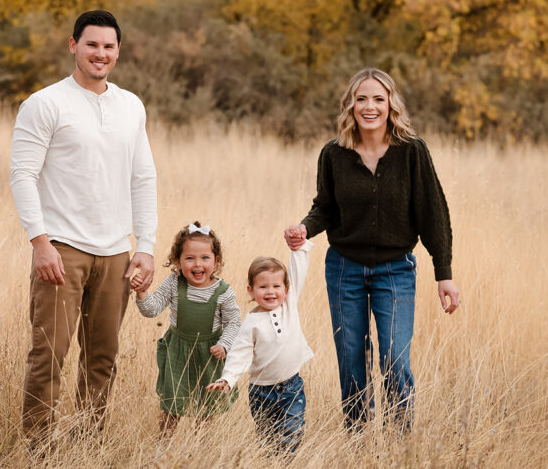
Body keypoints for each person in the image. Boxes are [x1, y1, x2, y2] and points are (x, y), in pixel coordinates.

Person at [9, 10, 158, 444]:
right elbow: (22, 175)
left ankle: (88, 445)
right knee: (49, 356)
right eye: (92, 44)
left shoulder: (131, 105)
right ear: (73, 44)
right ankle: (39, 449)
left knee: (102, 359)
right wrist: (40, 242)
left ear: (118, 51)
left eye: (109, 46)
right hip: (62, 249)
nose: (100, 53)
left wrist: (144, 246)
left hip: (116, 253)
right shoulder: (45, 103)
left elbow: (142, 177)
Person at [284, 67, 460, 433]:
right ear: (350, 105)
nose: (369, 106)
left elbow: (434, 214)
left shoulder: (412, 152)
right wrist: (305, 228)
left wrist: (443, 274)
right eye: (361, 98)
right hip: (344, 270)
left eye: (378, 99)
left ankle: (399, 444)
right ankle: (358, 443)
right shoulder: (334, 154)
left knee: (395, 359)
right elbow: (325, 208)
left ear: (390, 104)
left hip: (395, 270)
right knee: (351, 363)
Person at [206, 240, 315, 455]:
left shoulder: (289, 305)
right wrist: (227, 378)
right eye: (263, 287)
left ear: (286, 288)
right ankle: (269, 461)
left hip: (291, 386)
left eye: (276, 286)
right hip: (261, 392)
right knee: (267, 438)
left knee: (292, 431)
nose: (271, 292)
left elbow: (298, 271)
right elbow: (239, 354)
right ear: (251, 290)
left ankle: (285, 462)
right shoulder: (251, 323)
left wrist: (299, 249)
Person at [135, 222, 241, 435]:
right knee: (171, 404)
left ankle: (199, 452)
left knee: (205, 409)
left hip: (209, 354)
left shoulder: (223, 292)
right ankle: (164, 447)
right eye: (189, 258)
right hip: (178, 352)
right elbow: (152, 310)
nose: (197, 264)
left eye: (205, 258)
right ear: (178, 261)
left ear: (216, 260)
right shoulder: (174, 283)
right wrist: (142, 293)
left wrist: (224, 345)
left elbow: (234, 323)